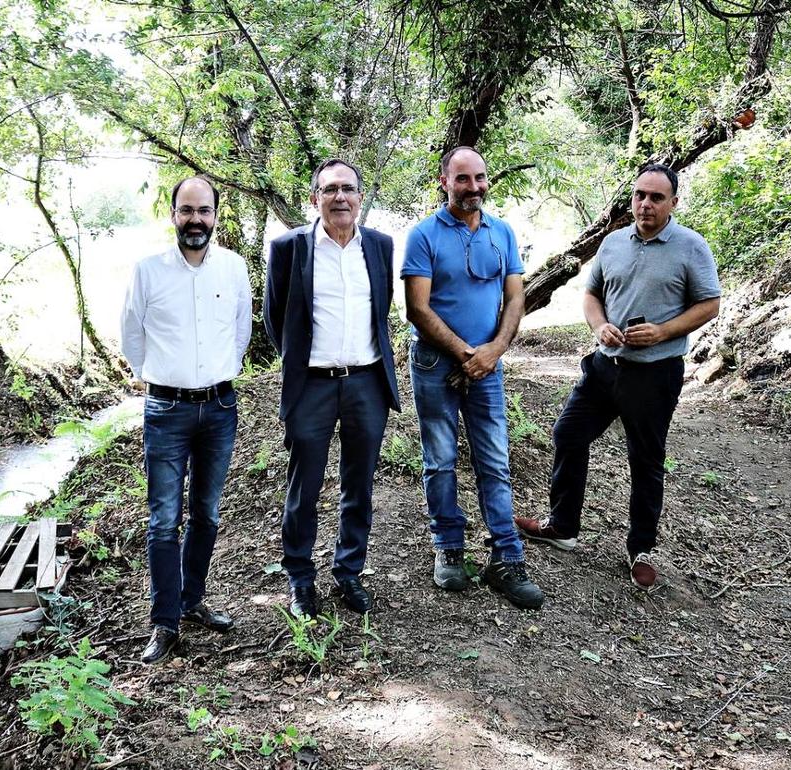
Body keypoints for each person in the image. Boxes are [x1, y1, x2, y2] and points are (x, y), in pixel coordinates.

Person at [515, 163, 721, 591]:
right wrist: (598, 326)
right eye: (640, 195)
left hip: (655, 374)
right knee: (568, 434)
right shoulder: (612, 243)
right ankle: (563, 526)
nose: (646, 204)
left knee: (645, 461)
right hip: (604, 366)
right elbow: (591, 294)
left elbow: (709, 304)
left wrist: (664, 331)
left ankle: (640, 549)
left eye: (656, 197)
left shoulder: (691, 247)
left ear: (673, 203)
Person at [401, 146, 544, 610]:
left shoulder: (502, 232)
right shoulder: (423, 236)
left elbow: (516, 298)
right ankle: (449, 548)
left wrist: (495, 350)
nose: (474, 187)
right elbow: (417, 308)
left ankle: (507, 557)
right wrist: (468, 354)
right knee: (440, 460)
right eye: (462, 179)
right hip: (435, 363)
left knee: (495, 462)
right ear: (444, 182)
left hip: (488, 364)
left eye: (480, 178)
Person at [120, 176, 252, 663]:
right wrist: (160, 379)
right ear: (172, 214)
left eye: (204, 211)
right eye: (186, 210)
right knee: (163, 521)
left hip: (219, 407)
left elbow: (241, 328)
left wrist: (219, 375)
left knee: (208, 514)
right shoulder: (148, 271)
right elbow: (131, 333)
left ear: (215, 216)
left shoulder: (234, 269)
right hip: (166, 410)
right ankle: (164, 621)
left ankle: (192, 601)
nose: (195, 219)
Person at [265, 158, 400, 618]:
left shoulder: (380, 246)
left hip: (366, 382)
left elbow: (382, 310)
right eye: (330, 190)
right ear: (314, 199)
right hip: (312, 387)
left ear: (361, 197)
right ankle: (301, 580)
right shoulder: (290, 248)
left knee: (358, 485)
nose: (340, 197)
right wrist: (301, 366)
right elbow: (274, 318)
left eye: (348, 189)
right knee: (304, 487)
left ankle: (349, 573)